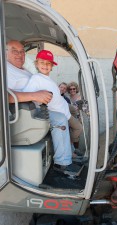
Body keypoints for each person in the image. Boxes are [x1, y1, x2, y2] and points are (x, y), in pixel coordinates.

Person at [6, 40, 83, 176]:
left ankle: (69, 153)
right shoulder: (5, 69)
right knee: (59, 118)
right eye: (14, 51)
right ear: (5, 52)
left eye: (22, 51)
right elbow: (5, 96)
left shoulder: (23, 69)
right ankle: (63, 164)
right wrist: (35, 95)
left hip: (36, 108)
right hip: (21, 114)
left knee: (66, 113)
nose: (20, 54)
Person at [59, 82, 83, 154]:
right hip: (68, 118)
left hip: (77, 117)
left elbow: (85, 108)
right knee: (69, 134)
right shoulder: (67, 98)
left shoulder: (79, 97)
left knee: (76, 135)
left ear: (76, 89)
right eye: (70, 89)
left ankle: (75, 150)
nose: (72, 90)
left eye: (74, 89)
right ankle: (72, 151)